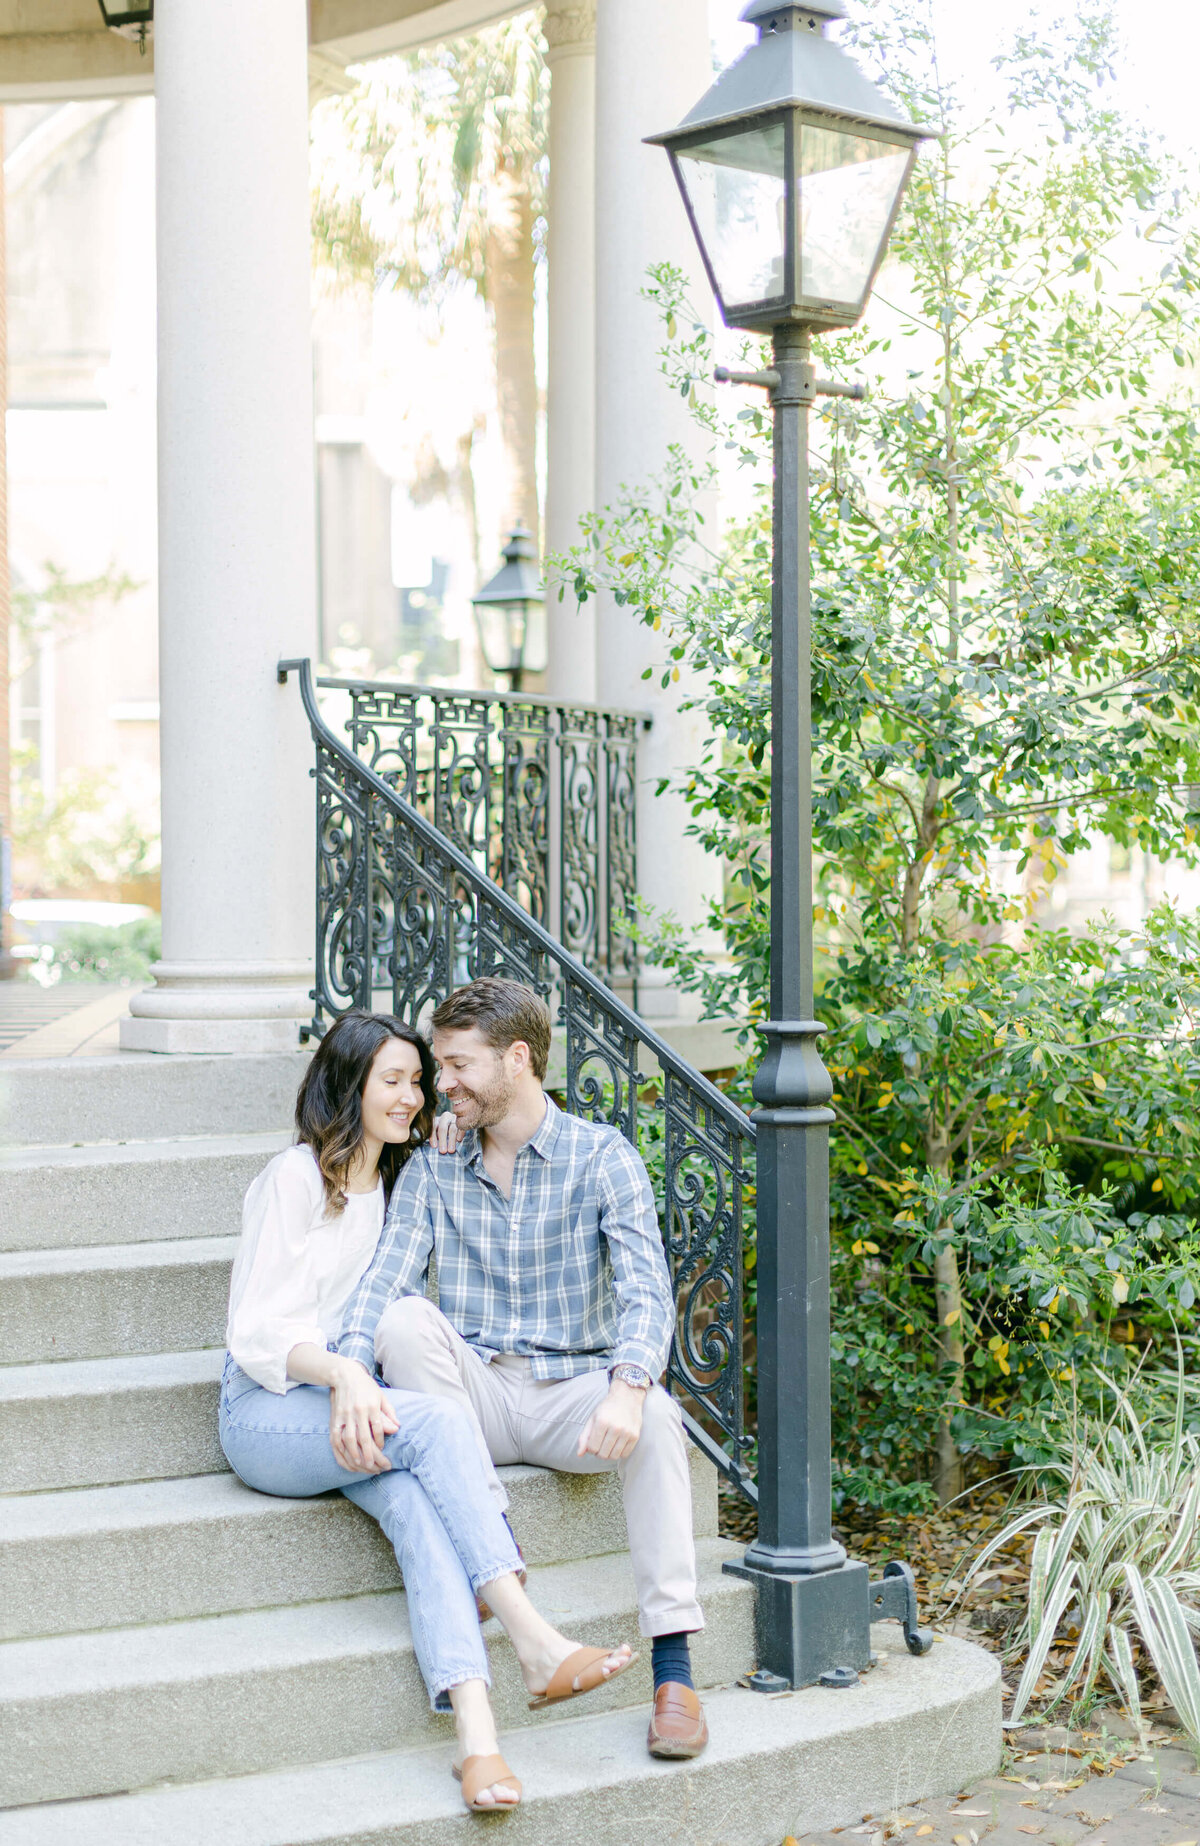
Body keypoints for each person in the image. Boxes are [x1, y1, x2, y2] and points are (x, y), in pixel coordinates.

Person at [220, 1009, 637, 1814]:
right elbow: (256, 1333)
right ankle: (532, 1634)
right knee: (441, 1425)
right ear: (348, 1083)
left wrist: (353, 1382)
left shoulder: (399, 1180)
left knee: (418, 1508)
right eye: (394, 1080)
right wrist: (344, 1373)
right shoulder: (295, 1178)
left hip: (349, 1404)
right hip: (268, 1412)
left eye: (418, 1080)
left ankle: (478, 1743)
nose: (414, 1096)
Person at [336, 977, 709, 1760]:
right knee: (403, 1321)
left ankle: (673, 1672)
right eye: (439, 1066)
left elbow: (647, 1292)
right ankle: (491, 1539)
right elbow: (384, 1279)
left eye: (457, 1065)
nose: (443, 1084)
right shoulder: (437, 1163)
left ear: (516, 1058)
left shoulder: (602, 1158)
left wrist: (629, 1387)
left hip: (571, 1395)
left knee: (663, 1421)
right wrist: (348, 1370)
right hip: (471, 1393)